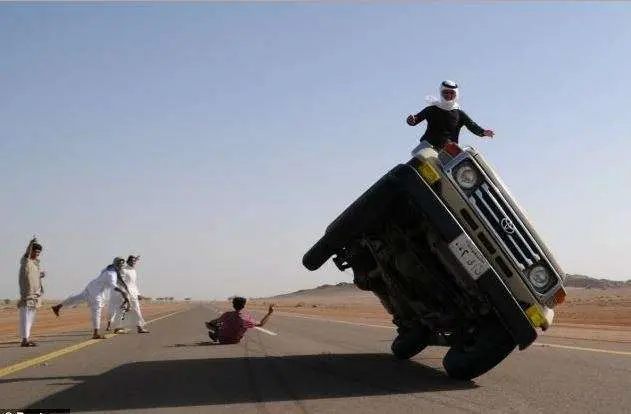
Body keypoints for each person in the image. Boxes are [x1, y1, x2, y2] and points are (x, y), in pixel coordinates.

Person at [51, 257, 131, 339]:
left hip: (91, 286)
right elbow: (113, 286)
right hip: (96, 292)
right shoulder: (112, 274)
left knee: (77, 298)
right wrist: (123, 291)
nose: (121, 266)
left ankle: (58, 306)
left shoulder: (109, 268)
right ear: (117, 265)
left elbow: (118, 278)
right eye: (120, 265)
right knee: (97, 310)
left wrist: (124, 285)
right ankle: (96, 333)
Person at [406, 80, 495, 150]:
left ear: (456, 94)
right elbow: (416, 119)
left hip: (448, 151)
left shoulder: (460, 114)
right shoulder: (432, 109)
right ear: (441, 92)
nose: (448, 95)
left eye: (451, 93)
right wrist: (411, 120)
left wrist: (483, 132)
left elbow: (472, 126)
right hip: (427, 146)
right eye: (446, 92)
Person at [106, 255, 149, 334]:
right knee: (121, 311)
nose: (133, 262)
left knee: (136, 310)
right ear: (128, 261)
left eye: (134, 261)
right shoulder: (123, 270)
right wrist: (123, 293)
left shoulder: (134, 271)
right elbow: (119, 282)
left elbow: (134, 284)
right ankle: (117, 328)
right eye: (131, 261)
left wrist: (138, 294)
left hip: (133, 293)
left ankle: (140, 328)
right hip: (125, 293)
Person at [205, 297, 274, 344]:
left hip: (222, 340)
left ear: (233, 305)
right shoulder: (246, 317)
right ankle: (217, 334)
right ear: (243, 306)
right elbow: (261, 324)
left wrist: (210, 324)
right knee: (241, 327)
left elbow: (214, 322)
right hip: (235, 340)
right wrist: (269, 313)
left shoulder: (227, 314)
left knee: (218, 325)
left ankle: (215, 335)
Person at [17, 237, 46, 347]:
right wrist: (30, 244)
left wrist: (40, 275)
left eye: (39, 252)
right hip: (27, 295)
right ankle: (24, 340)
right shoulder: (26, 261)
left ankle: (26, 338)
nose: (37, 253)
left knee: (30, 319)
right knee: (25, 318)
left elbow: (33, 276)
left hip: (36, 295)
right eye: (35, 251)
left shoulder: (35, 264)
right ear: (31, 251)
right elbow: (27, 254)